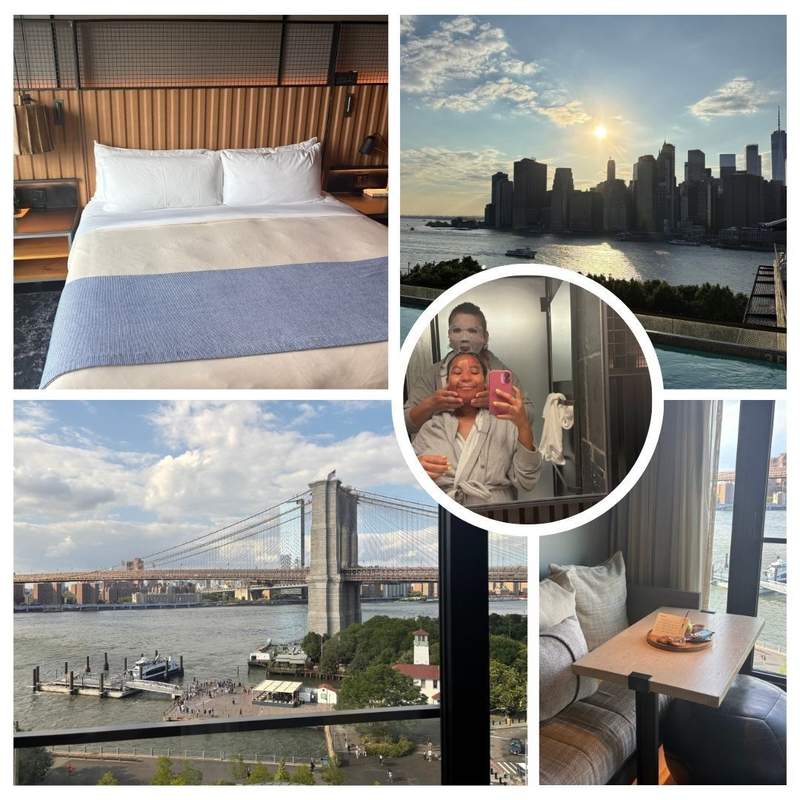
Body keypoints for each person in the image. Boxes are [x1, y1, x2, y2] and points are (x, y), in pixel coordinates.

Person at [414, 352, 541, 506]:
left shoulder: (506, 425)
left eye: (474, 372)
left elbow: (527, 481)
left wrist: (523, 424)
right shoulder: (431, 429)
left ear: (486, 383)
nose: (466, 378)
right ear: (447, 382)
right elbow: (410, 485)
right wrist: (417, 471)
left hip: (497, 511)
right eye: (457, 372)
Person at [404, 302, 531, 435]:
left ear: (485, 337)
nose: (464, 338)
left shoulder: (503, 376)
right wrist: (432, 404)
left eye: (472, 331)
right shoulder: (432, 376)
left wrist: (497, 403)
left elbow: (529, 415)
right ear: (449, 335)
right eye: (457, 330)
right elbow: (405, 423)